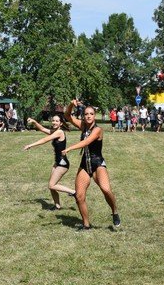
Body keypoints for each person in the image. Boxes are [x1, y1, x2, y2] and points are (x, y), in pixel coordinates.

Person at [63, 99, 120, 230]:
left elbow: (86, 142)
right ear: (84, 115)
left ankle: (114, 211)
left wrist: (69, 148)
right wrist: (71, 104)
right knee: (79, 196)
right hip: (85, 164)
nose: (88, 116)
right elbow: (67, 116)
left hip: (97, 163)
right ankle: (86, 225)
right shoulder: (83, 126)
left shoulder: (98, 130)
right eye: (86, 114)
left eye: (91, 114)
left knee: (106, 189)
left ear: (95, 116)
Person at [24, 115, 76, 210]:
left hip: (62, 163)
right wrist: (34, 122)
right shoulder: (55, 132)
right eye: (53, 120)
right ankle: (57, 206)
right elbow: (42, 129)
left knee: (52, 185)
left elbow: (45, 140)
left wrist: (30, 145)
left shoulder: (59, 132)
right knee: (51, 186)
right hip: (57, 162)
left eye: (57, 121)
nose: (54, 122)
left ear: (61, 123)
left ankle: (73, 192)